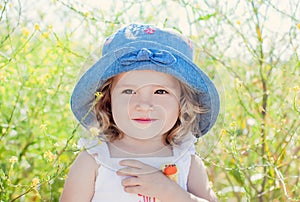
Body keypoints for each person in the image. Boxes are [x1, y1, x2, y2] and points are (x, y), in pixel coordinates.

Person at [60, 24, 220, 202]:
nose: (144, 105)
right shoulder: (94, 161)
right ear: (107, 100)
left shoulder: (186, 160)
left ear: (183, 103)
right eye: (129, 91)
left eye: (160, 92)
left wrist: (170, 192)